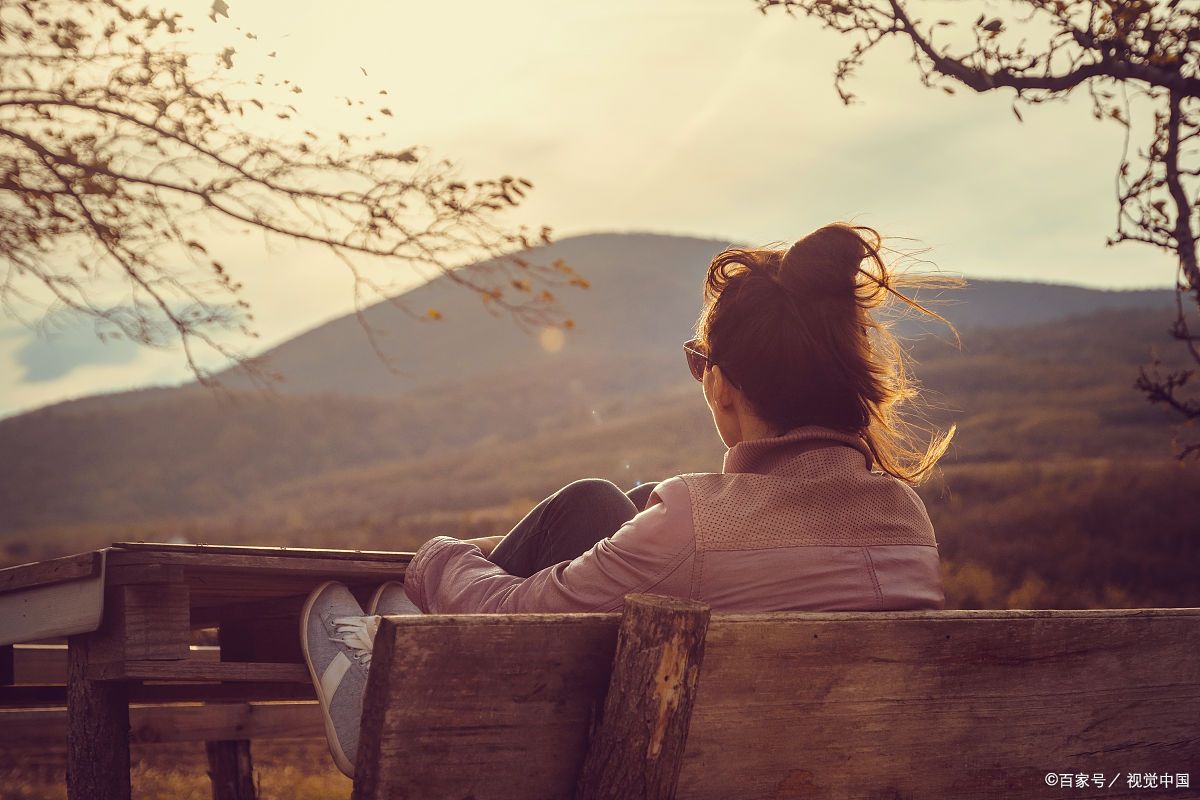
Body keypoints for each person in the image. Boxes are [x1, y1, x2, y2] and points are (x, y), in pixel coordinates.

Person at [300, 221, 962, 777]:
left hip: (653, 780)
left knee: (572, 523)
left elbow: (513, 614)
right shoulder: (906, 518)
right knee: (604, 504)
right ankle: (396, 637)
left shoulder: (692, 524)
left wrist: (437, 557)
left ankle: (386, 685)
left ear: (724, 384)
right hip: (832, 774)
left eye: (699, 363)